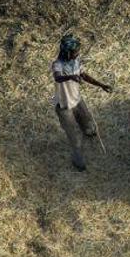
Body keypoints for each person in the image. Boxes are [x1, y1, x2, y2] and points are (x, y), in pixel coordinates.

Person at [51, 34, 112, 171]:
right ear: (67, 52)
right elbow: (58, 77)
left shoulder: (76, 61)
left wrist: (101, 85)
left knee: (89, 124)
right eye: (75, 52)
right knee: (74, 137)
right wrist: (71, 77)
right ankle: (77, 158)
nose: (77, 53)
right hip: (64, 106)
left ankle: (88, 130)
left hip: (77, 100)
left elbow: (84, 75)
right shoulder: (57, 65)